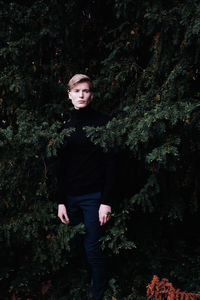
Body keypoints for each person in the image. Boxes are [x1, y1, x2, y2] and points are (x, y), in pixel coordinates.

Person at [56, 74, 116, 300]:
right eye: (77, 91)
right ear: (69, 94)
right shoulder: (66, 127)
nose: (81, 95)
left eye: (86, 91)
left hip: (94, 198)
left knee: (93, 249)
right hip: (71, 199)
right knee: (80, 247)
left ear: (91, 94)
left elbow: (111, 164)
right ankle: (90, 288)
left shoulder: (103, 122)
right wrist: (61, 201)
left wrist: (106, 201)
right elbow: (61, 168)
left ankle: (98, 296)